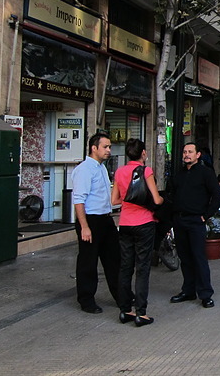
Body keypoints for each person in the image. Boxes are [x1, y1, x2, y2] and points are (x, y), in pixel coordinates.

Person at [110, 138, 164, 326]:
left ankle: (125, 310)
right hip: (144, 223)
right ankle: (141, 312)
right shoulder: (146, 171)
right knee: (142, 268)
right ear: (143, 153)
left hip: (125, 223)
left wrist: (128, 199)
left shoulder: (120, 172)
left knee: (125, 267)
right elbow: (156, 200)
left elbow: (114, 200)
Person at [72, 132, 120, 314]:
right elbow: (79, 200)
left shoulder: (101, 167)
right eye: (105, 147)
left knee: (114, 259)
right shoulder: (84, 169)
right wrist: (84, 226)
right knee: (88, 262)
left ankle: (121, 295)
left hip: (105, 218)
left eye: (109, 147)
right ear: (94, 148)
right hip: (90, 219)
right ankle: (86, 300)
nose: (109, 150)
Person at [170, 142, 220, 309]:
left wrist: (205, 216)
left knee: (199, 258)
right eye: (184, 152)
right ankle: (188, 290)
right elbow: (172, 194)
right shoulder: (179, 174)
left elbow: (216, 195)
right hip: (180, 220)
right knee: (185, 258)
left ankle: (205, 294)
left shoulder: (206, 173)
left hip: (196, 221)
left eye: (190, 152)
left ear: (198, 155)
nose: (186, 155)